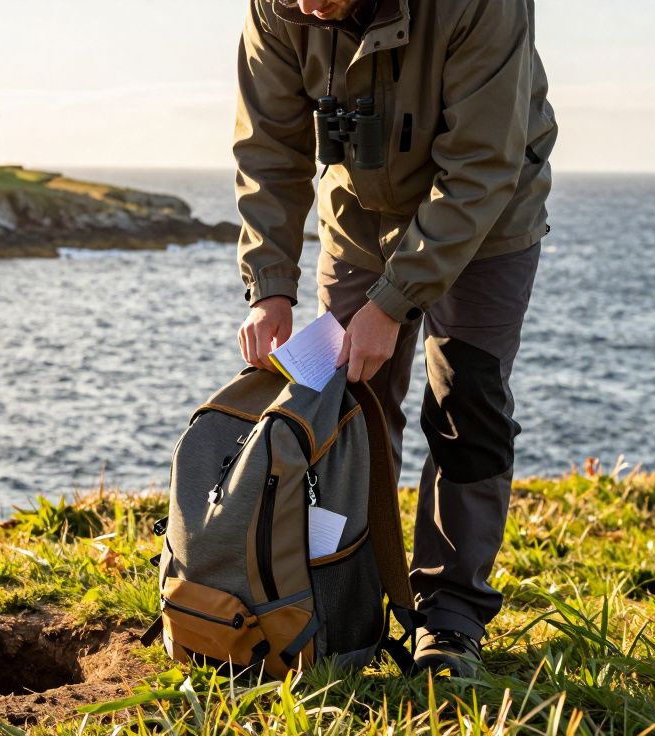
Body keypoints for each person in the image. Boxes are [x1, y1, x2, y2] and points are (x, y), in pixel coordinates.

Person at [233, 0, 557, 676]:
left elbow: (480, 163)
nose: (306, 7)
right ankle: (345, 603)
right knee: (344, 411)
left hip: (487, 220)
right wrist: (269, 285)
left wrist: (394, 301)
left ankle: (450, 621)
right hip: (358, 221)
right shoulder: (277, 7)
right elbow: (270, 145)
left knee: (467, 406)